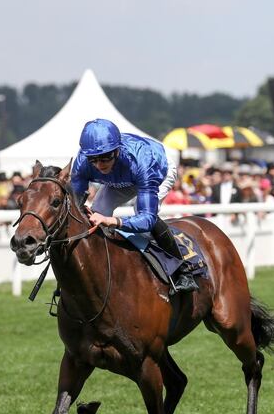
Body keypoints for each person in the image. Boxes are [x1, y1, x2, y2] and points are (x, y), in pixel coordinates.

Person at [70, 118, 198, 294]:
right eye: (93, 159)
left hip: (157, 170)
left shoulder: (143, 162)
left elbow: (147, 219)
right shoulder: (82, 162)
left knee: (141, 214)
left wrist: (111, 220)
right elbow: (75, 206)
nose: (100, 165)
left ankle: (183, 270)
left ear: (117, 151)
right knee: (96, 210)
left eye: (105, 158)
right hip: (121, 177)